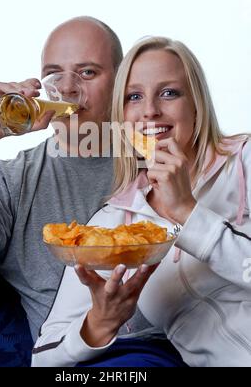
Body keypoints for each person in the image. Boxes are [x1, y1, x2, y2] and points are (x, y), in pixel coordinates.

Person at [32, 36, 251, 368]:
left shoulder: (244, 160)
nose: (150, 110)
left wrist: (187, 213)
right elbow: (43, 355)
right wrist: (98, 325)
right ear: (120, 115)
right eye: (134, 97)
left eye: (169, 93)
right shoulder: (113, 223)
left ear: (196, 103)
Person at [0, 16, 125, 341]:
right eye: (54, 73)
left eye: (88, 72)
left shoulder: (161, 165)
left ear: (122, 81)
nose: (69, 87)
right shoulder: (14, 180)